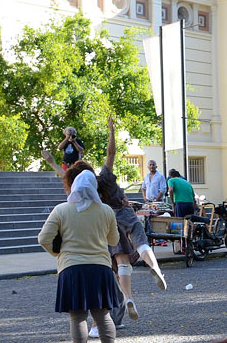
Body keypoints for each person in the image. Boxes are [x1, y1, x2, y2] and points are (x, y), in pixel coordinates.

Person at [43, 117, 168, 318]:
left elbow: (66, 178)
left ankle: (128, 297)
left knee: (122, 261)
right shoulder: (105, 177)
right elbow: (111, 152)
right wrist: (111, 130)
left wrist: (52, 163)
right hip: (124, 212)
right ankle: (155, 268)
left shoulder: (87, 190)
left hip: (109, 219)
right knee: (141, 243)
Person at [38, 164, 120, 343]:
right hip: (100, 267)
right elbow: (113, 240)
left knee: (78, 317)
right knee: (103, 315)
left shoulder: (61, 210)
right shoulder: (106, 211)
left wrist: (57, 253)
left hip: (72, 268)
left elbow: (43, 239)